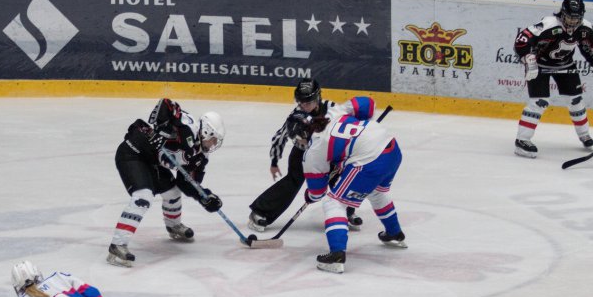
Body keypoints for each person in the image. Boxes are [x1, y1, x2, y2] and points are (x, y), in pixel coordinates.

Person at [107, 98, 225, 267]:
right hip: (133, 153)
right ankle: (117, 245)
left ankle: (173, 226)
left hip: (152, 162)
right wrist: (160, 129)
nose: (213, 144)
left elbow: (186, 182)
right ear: (207, 131)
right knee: (143, 197)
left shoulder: (201, 157)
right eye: (213, 139)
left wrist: (204, 197)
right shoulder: (188, 126)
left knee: (173, 192)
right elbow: (166, 104)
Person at [301, 97, 406, 274]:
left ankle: (336, 255)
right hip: (391, 148)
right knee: (377, 192)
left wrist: (309, 196)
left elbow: (317, 192)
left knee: (333, 202)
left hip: (370, 160)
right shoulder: (334, 113)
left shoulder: (314, 150)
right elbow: (367, 104)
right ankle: (394, 233)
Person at [248, 79, 362, 233]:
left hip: (329, 151)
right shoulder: (296, 115)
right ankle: (261, 212)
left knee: (341, 180)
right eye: (300, 102)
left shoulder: (333, 109)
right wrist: (274, 162)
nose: (304, 105)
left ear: (318, 98)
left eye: (308, 102)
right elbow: (279, 138)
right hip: (303, 153)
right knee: (293, 180)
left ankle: (346, 212)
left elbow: (350, 126)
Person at [513, 0, 593, 158]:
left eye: (577, 18)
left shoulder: (585, 28)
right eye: (570, 17)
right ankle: (522, 141)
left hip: (565, 64)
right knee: (539, 102)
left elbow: (588, 48)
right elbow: (521, 41)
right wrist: (528, 59)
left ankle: (584, 134)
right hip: (540, 64)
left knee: (576, 100)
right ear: (562, 13)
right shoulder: (548, 24)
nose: (573, 21)